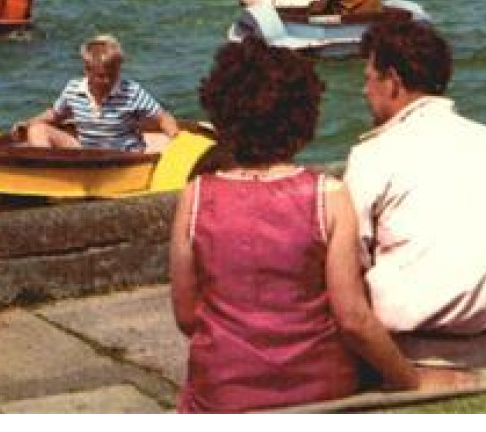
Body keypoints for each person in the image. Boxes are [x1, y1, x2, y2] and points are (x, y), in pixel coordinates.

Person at [170, 38, 470, 413]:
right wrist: (411, 380)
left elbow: (186, 315)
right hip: (322, 394)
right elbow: (353, 318)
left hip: (223, 396)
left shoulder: (196, 197)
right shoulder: (328, 197)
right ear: (304, 115)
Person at [345, 22, 486, 370]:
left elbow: (349, 261)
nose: (363, 90)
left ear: (393, 82)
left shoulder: (373, 156)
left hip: (408, 353)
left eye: (369, 77)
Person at [13, 34, 179, 151]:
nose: (107, 80)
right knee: (37, 129)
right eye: (101, 76)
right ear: (87, 70)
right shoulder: (73, 89)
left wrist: (175, 138)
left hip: (123, 156)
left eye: (112, 75)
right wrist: (27, 124)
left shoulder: (131, 91)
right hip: (87, 152)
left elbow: (163, 117)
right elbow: (55, 114)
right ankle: (49, 173)